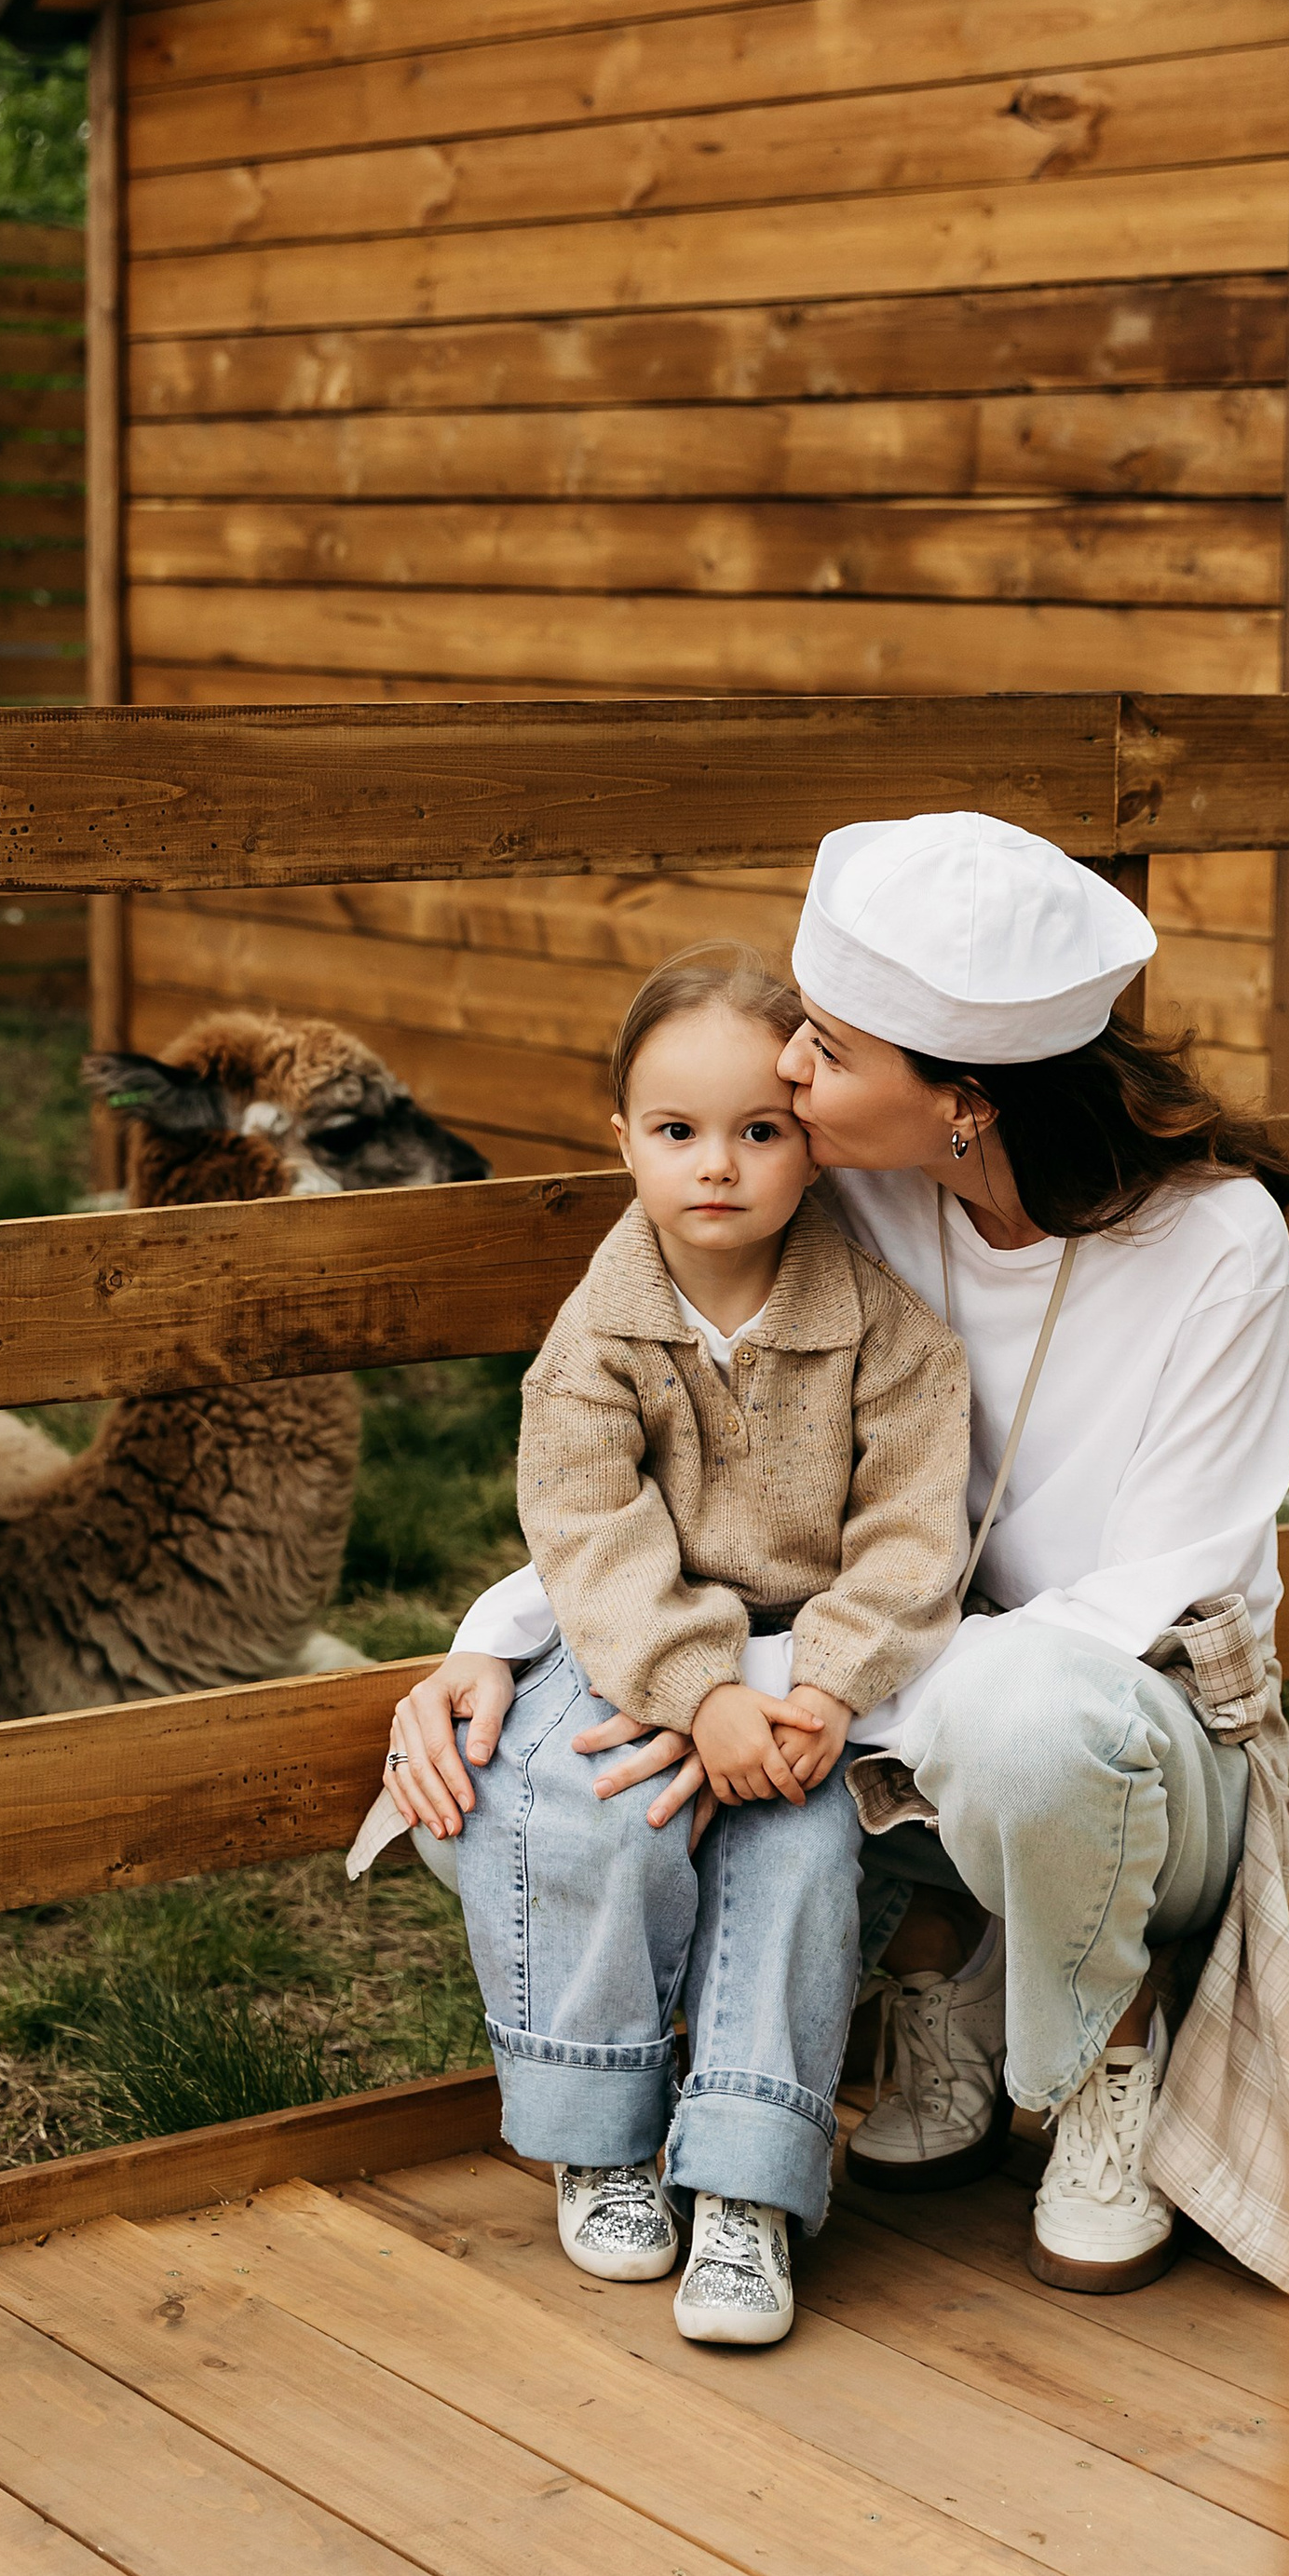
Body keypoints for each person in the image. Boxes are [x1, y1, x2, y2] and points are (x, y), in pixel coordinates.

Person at [375, 814, 1289, 2310]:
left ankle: (1117, 2042)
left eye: (822, 1049)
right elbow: (686, 1460)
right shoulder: (856, 1190)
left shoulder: (1214, 1251)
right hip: (879, 1688)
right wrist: (499, 1642)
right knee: (561, 1774)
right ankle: (938, 1977)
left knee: (1019, 1718)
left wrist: (752, 1687)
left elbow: (1144, 1596)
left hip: (1129, 1738)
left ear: (963, 1097)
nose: (787, 1078)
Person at [427, 944, 969, 2348]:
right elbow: (588, 1536)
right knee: (591, 1798)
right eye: (676, 1132)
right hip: (632, 1649)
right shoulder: (595, 1343)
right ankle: (600, 2127)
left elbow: (914, 1539)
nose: (715, 1166)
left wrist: (823, 1688)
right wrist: (692, 1687)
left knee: (797, 1852)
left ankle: (747, 2183)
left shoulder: (891, 1338)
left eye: (759, 1132)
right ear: (622, 1142)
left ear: (813, 1147)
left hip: (813, 1679)